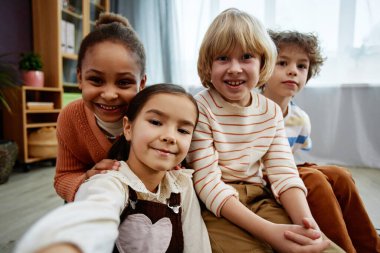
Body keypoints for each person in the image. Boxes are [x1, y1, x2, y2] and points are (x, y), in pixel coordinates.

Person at [186, 8, 344, 252]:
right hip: (215, 206)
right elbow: (207, 183)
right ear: (207, 65)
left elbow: (284, 173)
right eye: (223, 58)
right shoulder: (200, 107)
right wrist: (269, 232)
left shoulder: (270, 111)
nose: (235, 68)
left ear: (262, 64)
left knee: (319, 247)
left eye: (246, 57)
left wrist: (308, 224)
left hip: (260, 197)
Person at [14, 83, 212, 253]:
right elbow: (93, 213)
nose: (170, 136)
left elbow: (196, 244)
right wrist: (66, 245)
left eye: (183, 130)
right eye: (155, 122)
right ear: (128, 128)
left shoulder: (182, 185)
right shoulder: (109, 181)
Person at [262, 29, 380, 253]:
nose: (293, 72)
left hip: (285, 172)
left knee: (340, 175)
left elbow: (291, 156)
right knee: (314, 179)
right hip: (259, 178)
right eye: (283, 63)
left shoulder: (300, 119)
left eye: (301, 66)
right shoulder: (251, 109)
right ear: (263, 67)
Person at [54, 12, 147, 202]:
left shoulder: (153, 116)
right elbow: (63, 177)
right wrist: (87, 179)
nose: (109, 95)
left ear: (142, 83)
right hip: (94, 197)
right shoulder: (70, 117)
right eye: (96, 80)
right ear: (79, 78)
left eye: (123, 83)